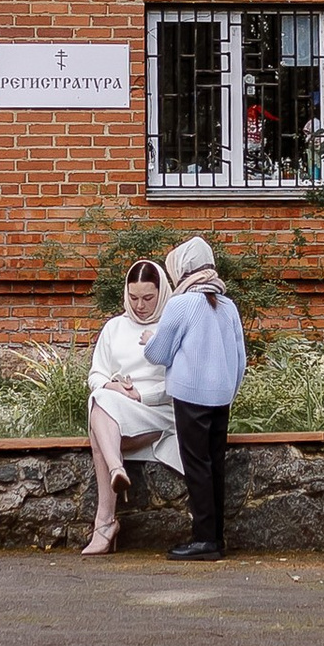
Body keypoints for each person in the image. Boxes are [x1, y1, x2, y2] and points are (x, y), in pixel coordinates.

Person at [143, 233, 247, 562]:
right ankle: (215, 538)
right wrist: (228, 390)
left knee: (197, 465)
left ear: (182, 269)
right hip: (221, 397)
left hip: (190, 396)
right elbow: (241, 359)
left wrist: (149, 338)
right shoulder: (228, 306)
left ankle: (203, 540)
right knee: (214, 465)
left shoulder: (181, 304)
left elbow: (158, 353)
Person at [83, 257, 181, 555]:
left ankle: (105, 523)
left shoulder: (172, 327)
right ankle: (116, 471)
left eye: (148, 298)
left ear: (161, 293)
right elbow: (96, 375)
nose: (140, 305)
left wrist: (141, 396)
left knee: (98, 427)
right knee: (100, 399)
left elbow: (179, 381)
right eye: (134, 297)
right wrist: (112, 386)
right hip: (117, 408)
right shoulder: (114, 327)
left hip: (158, 411)